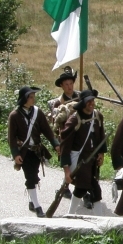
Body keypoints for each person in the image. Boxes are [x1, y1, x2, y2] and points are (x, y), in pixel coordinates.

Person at [8, 86, 60, 218]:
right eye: (31, 97)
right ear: (24, 98)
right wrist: (16, 155)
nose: (33, 99)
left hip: (37, 151)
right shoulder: (14, 115)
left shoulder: (38, 112)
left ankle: (32, 201)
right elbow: (11, 138)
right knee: (30, 177)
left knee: (34, 175)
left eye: (33, 96)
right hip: (24, 152)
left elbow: (47, 130)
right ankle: (37, 207)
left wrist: (56, 145)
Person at [60, 89, 107, 215]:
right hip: (79, 160)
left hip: (92, 160)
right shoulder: (74, 120)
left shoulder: (97, 116)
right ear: (83, 103)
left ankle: (70, 215)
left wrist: (101, 154)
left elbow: (101, 136)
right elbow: (65, 146)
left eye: (93, 101)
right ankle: (100, 220)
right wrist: (66, 171)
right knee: (94, 189)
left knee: (82, 189)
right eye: (88, 101)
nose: (91, 104)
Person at [48, 66, 80, 201]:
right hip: (65, 135)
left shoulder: (79, 98)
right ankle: (66, 186)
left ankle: (77, 187)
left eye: (71, 83)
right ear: (62, 86)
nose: (69, 87)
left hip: (79, 134)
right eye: (66, 84)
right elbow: (55, 122)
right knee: (66, 161)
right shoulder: (57, 103)